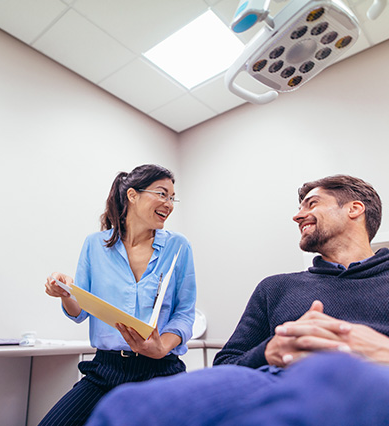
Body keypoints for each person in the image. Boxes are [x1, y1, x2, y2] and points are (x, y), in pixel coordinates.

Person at [84, 174, 389, 425]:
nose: (297, 215)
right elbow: (226, 363)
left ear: (354, 209)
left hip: (368, 381)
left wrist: (378, 350)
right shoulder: (276, 288)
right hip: (271, 382)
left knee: (333, 371)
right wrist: (269, 351)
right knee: (127, 408)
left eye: (312, 203)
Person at [39, 164, 196, 426]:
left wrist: (161, 348)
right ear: (133, 195)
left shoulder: (178, 246)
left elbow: (184, 312)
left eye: (171, 197)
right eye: (161, 194)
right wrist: (65, 292)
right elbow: (80, 311)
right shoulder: (94, 245)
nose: (168, 204)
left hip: (162, 369)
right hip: (105, 370)